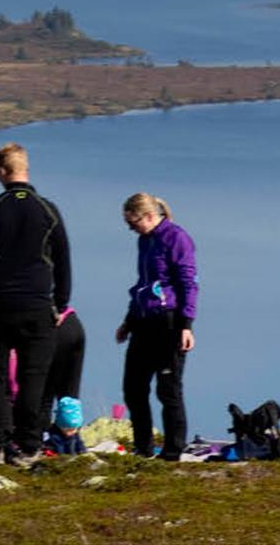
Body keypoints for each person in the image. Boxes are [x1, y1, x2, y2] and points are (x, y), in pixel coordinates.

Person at [0, 141, 71, 468]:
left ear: (1, 171)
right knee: (33, 376)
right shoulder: (48, 210)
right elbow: (63, 261)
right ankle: (28, 446)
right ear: (25, 168)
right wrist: (60, 304)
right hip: (38, 307)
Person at [115, 193, 197, 460]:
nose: (131, 229)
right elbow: (142, 284)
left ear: (149, 216)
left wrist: (186, 325)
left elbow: (188, 283)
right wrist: (128, 321)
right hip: (143, 322)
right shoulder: (144, 241)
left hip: (169, 322)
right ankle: (143, 448)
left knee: (168, 389)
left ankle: (173, 451)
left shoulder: (176, 238)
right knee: (133, 388)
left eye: (133, 223)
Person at [45, 306, 86, 426]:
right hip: (71, 322)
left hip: (49, 326)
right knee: (70, 399)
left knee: (44, 395)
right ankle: (71, 440)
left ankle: (39, 439)